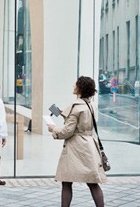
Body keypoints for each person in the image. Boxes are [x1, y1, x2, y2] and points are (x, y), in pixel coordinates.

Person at [47, 76, 106, 207]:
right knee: (93, 182)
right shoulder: (90, 105)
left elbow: (67, 131)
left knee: (66, 181)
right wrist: (64, 113)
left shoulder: (76, 107)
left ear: (80, 88)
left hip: (76, 148)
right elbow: (82, 121)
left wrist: (53, 129)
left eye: (76, 85)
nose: (73, 86)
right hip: (89, 145)